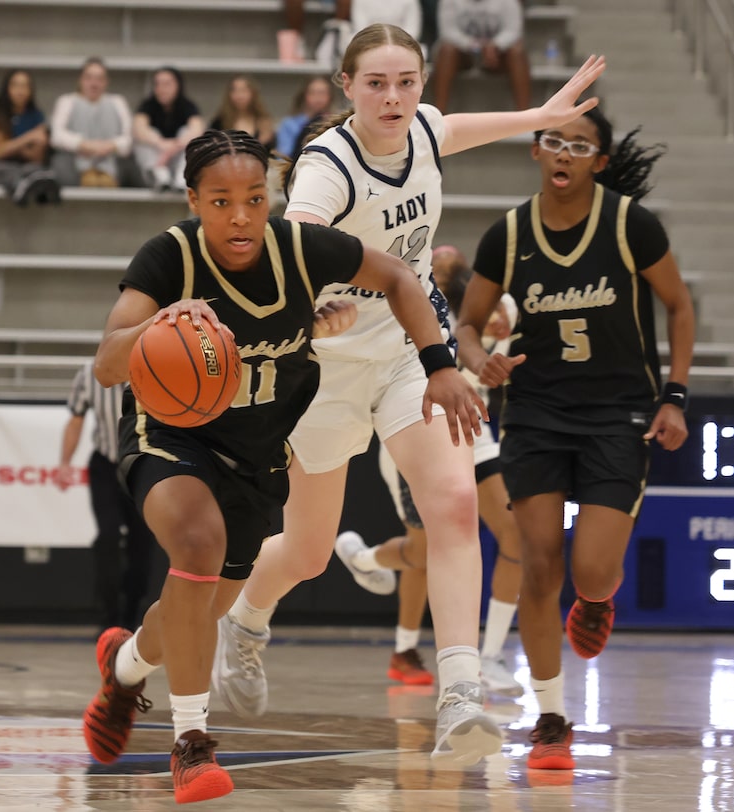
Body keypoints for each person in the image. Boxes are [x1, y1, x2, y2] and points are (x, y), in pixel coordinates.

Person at [213, 22, 605, 768]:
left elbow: (454, 127)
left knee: (455, 505)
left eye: (407, 82)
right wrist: (300, 307)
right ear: (346, 88)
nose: (393, 97)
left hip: (407, 348)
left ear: (422, 84)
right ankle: (248, 620)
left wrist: (541, 116)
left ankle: (460, 691)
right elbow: (287, 248)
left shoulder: (423, 128)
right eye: (376, 84)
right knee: (306, 550)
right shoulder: (329, 166)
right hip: (325, 362)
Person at [82, 128, 484, 805]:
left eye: (253, 199)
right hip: (172, 437)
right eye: (220, 201)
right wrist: (155, 330)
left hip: (254, 450)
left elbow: (396, 276)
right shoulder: (169, 256)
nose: (239, 216)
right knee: (198, 548)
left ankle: (124, 667)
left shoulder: (300, 252)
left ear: (271, 198)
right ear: (193, 200)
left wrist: (438, 364)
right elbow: (106, 362)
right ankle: (191, 742)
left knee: (197, 604)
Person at [455, 108, 695, 771]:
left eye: (580, 145)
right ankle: (552, 720)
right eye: (555, 140)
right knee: (536, 563)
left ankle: (595, 601)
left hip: (618, 413)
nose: (565, 152)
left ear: (599, 161)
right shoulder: (507, 235)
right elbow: (468, 324)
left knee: (590, 570)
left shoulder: (629, 226)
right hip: (535, 413)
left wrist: (674, 395)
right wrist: (479, 359)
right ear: (537, 151)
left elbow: (678, 304)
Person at [335, 245, 524, 697]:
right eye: (432, 265)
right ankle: (363, 561)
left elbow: (506, 324)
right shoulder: (408, 306)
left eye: (448, 262)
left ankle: (490, 656)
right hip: (421, 426)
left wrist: (496, 327)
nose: (440, 260)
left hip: (473, 427)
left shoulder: (499, 304)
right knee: (423, 554)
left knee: (514, 536)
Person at [55, 361, 156, 633]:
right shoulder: (89, 373)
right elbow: (76, 420)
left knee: (142, 544)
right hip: (106, 466)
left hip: (142, 463)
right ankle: (109, 618)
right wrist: (64, 462)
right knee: (108, 537)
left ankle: (132, 615)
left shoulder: (154, 365)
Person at [431, 0, 532, 113]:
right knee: (446, 50)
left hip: (497, 55)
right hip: (464, 55)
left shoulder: (509, 2)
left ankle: (524, 116)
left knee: (517, 51)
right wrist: (476, 45)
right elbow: (448, 32)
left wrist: (495, 45)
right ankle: (439, 115)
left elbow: (513, 31)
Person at [50, 57, 137, 187]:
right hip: (75, 161)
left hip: (111, 159)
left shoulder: (118, 102)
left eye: (99, 79)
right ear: (80, 80)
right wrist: (84, 145)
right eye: (89, 78)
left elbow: (129, 138)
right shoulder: (67, 101)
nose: (94, 83)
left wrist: (110, 146)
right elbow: (57, 136)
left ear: (106, 82)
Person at [0, 68, 60, 206]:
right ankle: (21, 186)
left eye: (24, 86)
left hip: (27, 167)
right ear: (7, 88)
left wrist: (11, 146)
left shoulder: (36, 115)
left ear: (31, 90)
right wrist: (28, 138)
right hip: (1, 167)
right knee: (1, 171)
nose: (20, 91)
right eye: (16, 85)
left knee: (36, 170)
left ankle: (33, 187)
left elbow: (37, 157)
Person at [132, 66, 204, 191]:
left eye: (167, 84)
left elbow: (197, 129)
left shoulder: (187, 106)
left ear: (178, 85)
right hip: (156, 161)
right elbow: (138, 129)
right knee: (144, 139)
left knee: (187, 134)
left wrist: (173, 147)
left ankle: (181, 179)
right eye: (157, 84)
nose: (161, 89)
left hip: (176, 159)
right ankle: (159, 178)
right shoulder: (147, 106)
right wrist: (161, 143)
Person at [276, 75, 337, 163]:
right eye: (313, 93)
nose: (318, 98)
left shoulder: (337, 123)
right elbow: (283, 157)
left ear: (330, 96)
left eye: (322, 93)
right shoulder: (289, 124)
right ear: (305, 95)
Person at [209, 75, 275, 152]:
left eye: (244, 91)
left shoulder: (264, 122)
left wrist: (264, 141)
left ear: (253, 94)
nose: (239, 96)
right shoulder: (219, 122)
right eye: (235, 91)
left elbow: (272, 154)